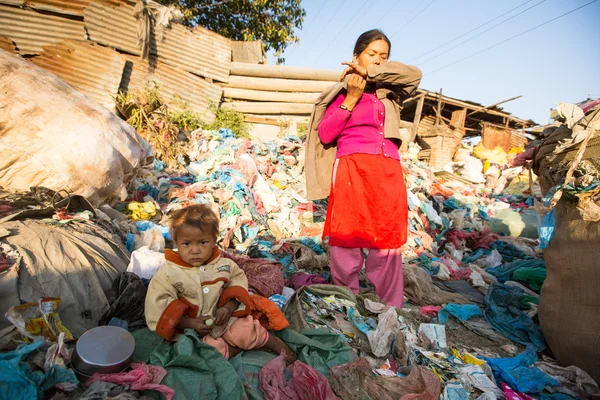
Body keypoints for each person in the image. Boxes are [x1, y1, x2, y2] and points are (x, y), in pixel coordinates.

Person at [304, 29, 422, 308]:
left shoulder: (390, 91)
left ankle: (390, 304)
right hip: (352, 167)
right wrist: (352, 98)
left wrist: (374, 72)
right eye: (372, 54)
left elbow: (414, 75)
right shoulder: (340, 93)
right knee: (348, 235)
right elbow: (325, 134)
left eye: (384, 56)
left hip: (388, 168)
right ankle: (347, 299)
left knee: (388, 236)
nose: (378, 60)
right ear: (356, 56)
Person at [145, 204, 296, 363]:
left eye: (203, 242)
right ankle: (233, 350)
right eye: (187, 244)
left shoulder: (224, 265)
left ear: (213, 241)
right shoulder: (168, 273)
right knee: (198, 351)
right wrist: (188, 322)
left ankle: (272, 342)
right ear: (176, 242)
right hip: (191, 330)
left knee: (245, 330)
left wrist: (228, 307)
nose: (195, 250)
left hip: (225, 319)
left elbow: (237, 282)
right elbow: (158, 304)